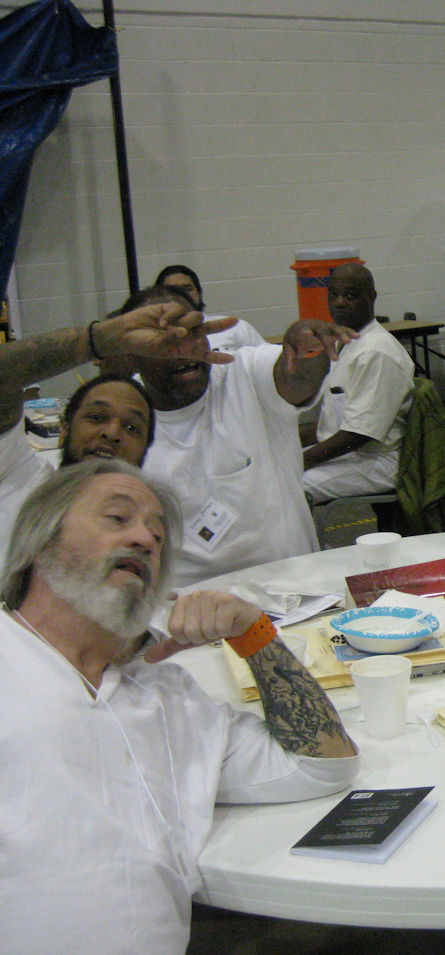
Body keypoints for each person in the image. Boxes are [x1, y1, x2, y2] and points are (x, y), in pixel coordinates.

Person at [0, 458, 358, 953]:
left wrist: (253, 634)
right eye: (117, 518)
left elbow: (323, 765)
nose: (145, 540)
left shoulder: (168, 696)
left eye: (158, 535)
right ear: (40, 542)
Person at [128, 284, 355, 588]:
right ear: (134, 353)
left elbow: (297, 378)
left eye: (192, 332)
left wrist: (309, 350)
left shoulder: (242, 371)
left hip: (290, 587)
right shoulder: (125, 410)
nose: (183, 349)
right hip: (188, 598)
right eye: (166, 340)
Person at [0, 300, 233, 553]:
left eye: (132, 428)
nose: (112, 433)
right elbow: (4, 374)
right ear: (64, 430)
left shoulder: (143, 535)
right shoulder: (23, 479)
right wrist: (100, 339)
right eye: (96, 417)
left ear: (143, 454)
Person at [300, 263, 413, 503]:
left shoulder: (376, 351)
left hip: (374, 462)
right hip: (347, 454)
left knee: (287, 486)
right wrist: (280, 441)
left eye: (350, 295)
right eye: (334, 295)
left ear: (372, 297)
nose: (340, 302)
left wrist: (302, 460)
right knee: (267, 469)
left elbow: (358, 434)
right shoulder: (346, 343)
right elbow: (330, 425)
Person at [156, 263, 266, 351]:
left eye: (187, 289)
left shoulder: (235, 327)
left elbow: (268, 362)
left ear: (199, 293)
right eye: (173, 290)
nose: (182, 295)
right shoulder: (153, 336)